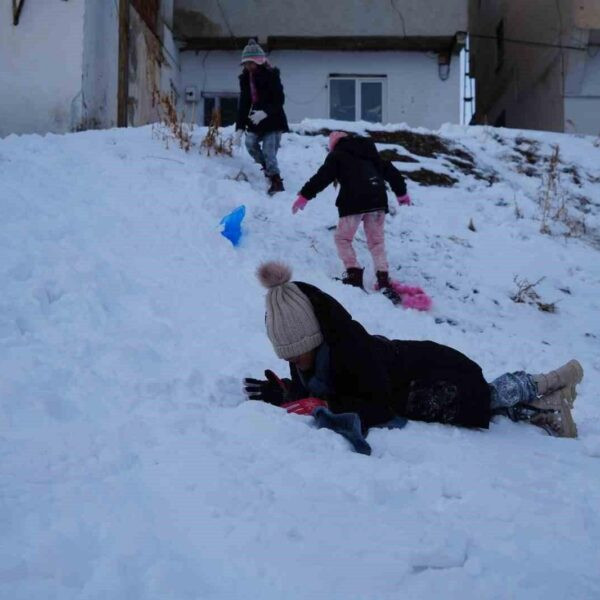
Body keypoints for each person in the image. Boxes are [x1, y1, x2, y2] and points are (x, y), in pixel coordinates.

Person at [243, 261, 583, 453]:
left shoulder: (350, 351)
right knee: (487, 405)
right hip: (412, 381)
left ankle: (550, 380)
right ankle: (548, 408)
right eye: (289, 356)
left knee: (483, 396)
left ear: (314, 338)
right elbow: (326, 390)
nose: (296, 362)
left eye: (298, 354)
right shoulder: (311, 349)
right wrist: (289, 392)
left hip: (433, 374)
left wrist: (326, 407)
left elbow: (374, 405)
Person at [292, 131, 411, 291]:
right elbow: (392, 173)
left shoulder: (337, 155)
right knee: (376, 242)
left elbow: (323, 177)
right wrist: (401, 194)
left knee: (343, 239)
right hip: (377, 199)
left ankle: (354, 273)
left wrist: (304, 195)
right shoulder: (370, 154)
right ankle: (383, 278)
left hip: (353, 201)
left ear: (333, 145)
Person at [234, 39, 289, 196]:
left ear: (259, 62)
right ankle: (269, 170)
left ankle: (276, 181)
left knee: (269, 150)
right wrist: (239, 129)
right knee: (250, 143)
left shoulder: (272, 75)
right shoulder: (245, 79)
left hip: (273, 118)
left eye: (251, 63)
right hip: (255, 119)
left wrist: (265, 112)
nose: (248, 66)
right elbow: (244, 103)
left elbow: (279, 100)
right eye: (246, 63)